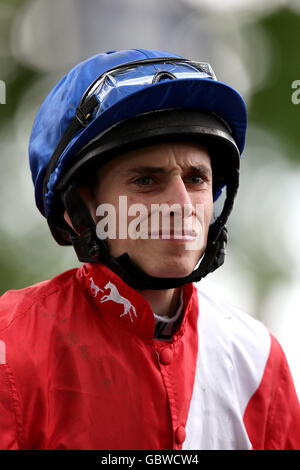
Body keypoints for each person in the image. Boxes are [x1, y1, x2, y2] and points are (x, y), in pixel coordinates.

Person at [0, 48, 299, 451]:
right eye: (145, 180)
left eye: (196, 179)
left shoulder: (260, 361)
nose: (181, 204)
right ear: (81, 211)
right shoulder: (10, 345)